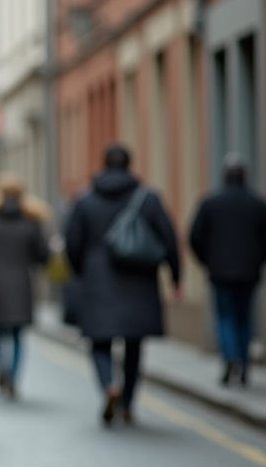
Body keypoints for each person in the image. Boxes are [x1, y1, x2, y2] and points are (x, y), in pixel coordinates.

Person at [64, 145, 181, 425]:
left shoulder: (85, 199)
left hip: (97, 278)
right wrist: (176, 276)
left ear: (103, 164)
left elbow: (72, 242)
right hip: (138, 280)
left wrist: (81, 272)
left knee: (99, 341)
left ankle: (109, 385)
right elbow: (169, 239)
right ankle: (127, 402)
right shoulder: (148, 198)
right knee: (134, 344)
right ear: (129, 164)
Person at [189, 153, 266, 386]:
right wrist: (257, 259)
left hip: (220, 272)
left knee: (225, 317)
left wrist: (208, 261)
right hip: (248, 272)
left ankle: (230, 358)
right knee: (244, 318)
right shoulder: (258, 203)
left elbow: (194, 237)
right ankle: (244, 364)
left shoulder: (210, 202)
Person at [0, 173, 50, 399]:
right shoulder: (31, 221)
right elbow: (42, 255)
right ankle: (11, 375)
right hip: (21, 283)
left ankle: (0, 369)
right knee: (18, 335)